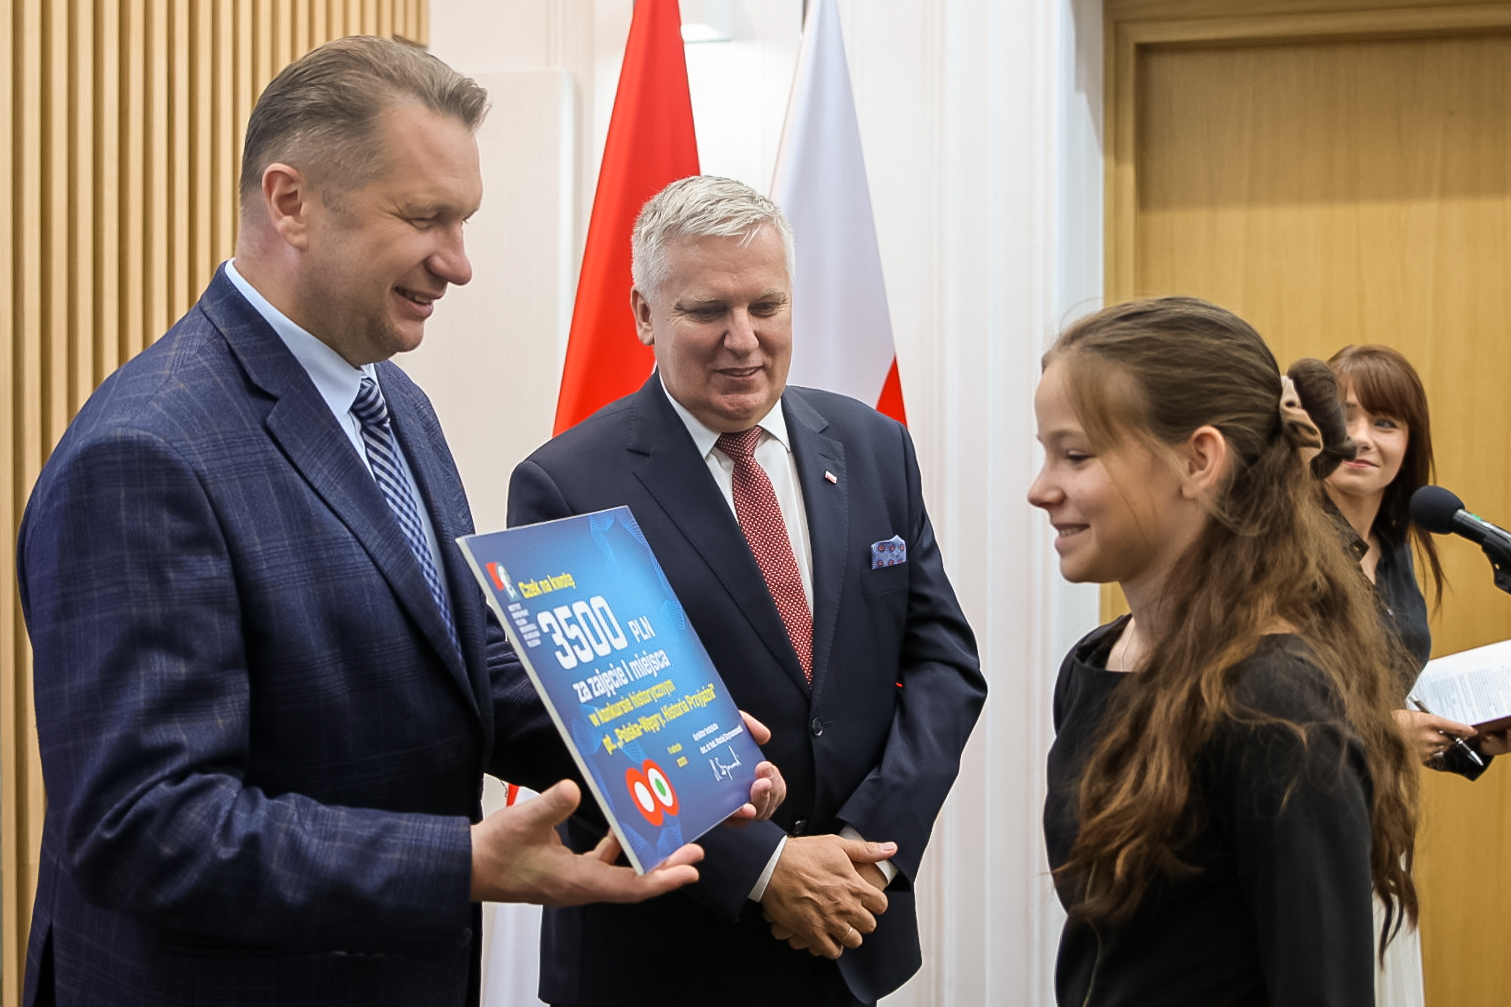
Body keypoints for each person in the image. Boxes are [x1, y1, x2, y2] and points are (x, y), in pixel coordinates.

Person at [17, 38, 780, 1007]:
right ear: (290, 202)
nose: (458, 263)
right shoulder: (144, 454)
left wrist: (666, 739)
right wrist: (458, 861)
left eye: (463, 220)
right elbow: (142, 825)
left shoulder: (393, 403)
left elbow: (459, 666)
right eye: (425, 218)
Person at [507, 175, 987, 1007]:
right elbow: (571, 726)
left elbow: (943, 663)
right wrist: (764, 866)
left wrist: (866, 848)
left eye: (766, 305)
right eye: (707, 310)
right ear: (644, 314)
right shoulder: (569, 485)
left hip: (849, 928)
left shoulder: (875, 447)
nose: (743, 338)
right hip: (666, 955)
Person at [1028, 297, 1419, 1006]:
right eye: (1046, 452)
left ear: (1197, 459)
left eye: (1076, 454)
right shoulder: (1097, 662)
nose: (1040, 489)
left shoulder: (1277, 705)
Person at [1324, 344, 1511, 774]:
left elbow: (1390, 701)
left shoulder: (1395, 548)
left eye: (1385, 422)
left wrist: (1469, 738)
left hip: (1376, 805)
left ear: (1411, 444)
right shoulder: (1280, 551)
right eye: (1342, 417)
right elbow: (1254, 703)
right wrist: (1377, 734)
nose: (1361, 437)